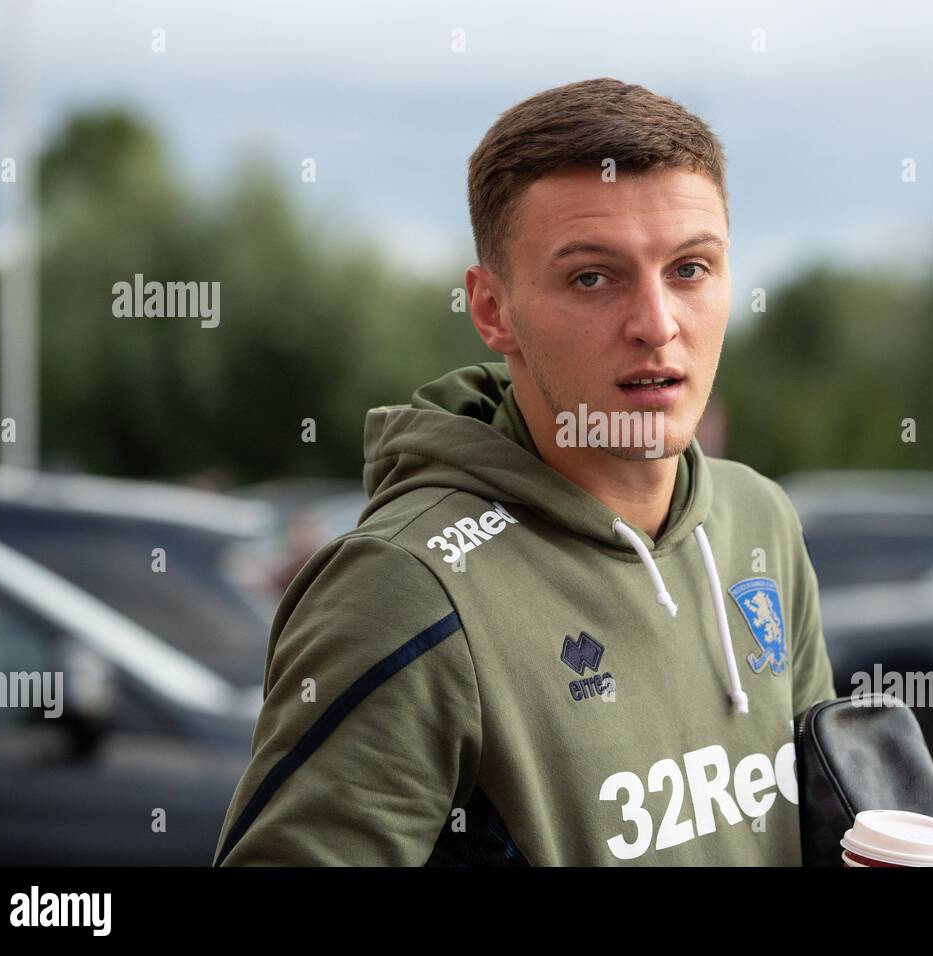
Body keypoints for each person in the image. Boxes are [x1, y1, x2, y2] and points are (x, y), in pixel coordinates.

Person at [214, 77, 836, 866]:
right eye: (591, 277)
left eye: (689, 269)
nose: (655, 323)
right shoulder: (401, 587)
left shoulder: (759, 519)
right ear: (491, 310)